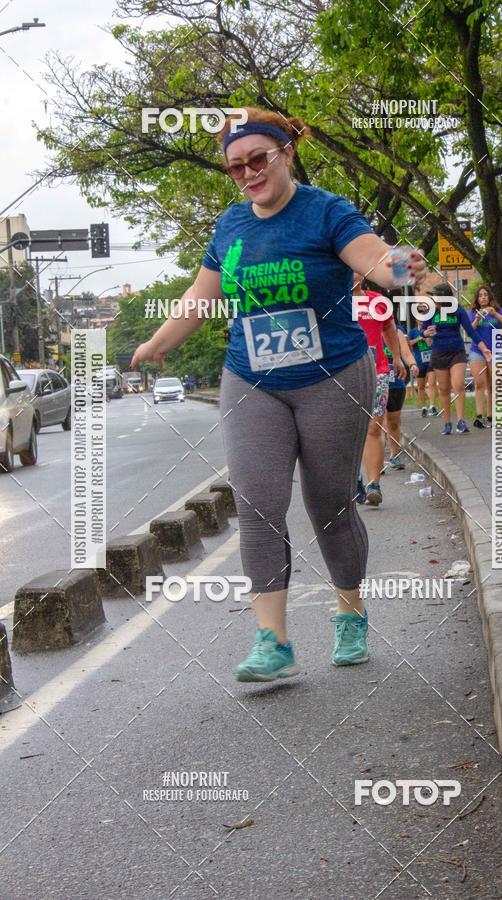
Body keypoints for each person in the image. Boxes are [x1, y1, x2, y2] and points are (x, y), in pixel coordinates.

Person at [131, 107, 428, 681]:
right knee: (257, 506)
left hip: (333, 375)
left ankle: (350, 612)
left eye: (257, 159)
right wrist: (156, 341)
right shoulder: (230, 226)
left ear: (285, 153)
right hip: (251, 379)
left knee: (329, 506)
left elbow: (372, 257)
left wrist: (398, 267)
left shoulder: (326, 210)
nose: (247, 173)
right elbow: (202, 295)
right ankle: (274, 640)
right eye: (235, 166)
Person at [354, 275, 405, 506]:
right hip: (342, 373)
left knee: (374, 425)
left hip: (378, 370)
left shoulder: (378, 301)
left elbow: (389, 329)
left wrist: (397, 357)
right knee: (347, 429)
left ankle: (373, 484)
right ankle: (353, 478)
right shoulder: (333, 300)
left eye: (356, 269)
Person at [421, 282, 492, 435]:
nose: (433, 299)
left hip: (457, 352)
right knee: (444, 389)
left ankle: (460, 421)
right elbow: (422, 330)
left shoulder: (458, 310)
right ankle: (447, 423)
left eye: (436, 296)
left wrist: (483, 347)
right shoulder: (431, 311)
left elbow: (471, 332)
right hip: (439, 352)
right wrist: (426, 333)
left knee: (459, 384)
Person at [468, 284, 502, 428]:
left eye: (485, 295)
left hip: (496, 350)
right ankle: (480, 416)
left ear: (489, 297)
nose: (483, 297)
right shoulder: (472, 312)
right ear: (477, 299)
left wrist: (496, 314)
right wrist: (477, 318)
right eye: (480, 295)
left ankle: (492, 416)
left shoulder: (497, 310)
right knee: (479, 383)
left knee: (495, 384)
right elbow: (470, 330)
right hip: (478, 351)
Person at [383, 324, 418, 470]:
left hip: (397, 381)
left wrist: (412, 364)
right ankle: (377, 459)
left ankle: (394, 454)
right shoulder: (366, 328)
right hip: (377, 380)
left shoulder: (397, 332)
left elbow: (406, 352)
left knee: (394, 421)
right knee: (378, 422)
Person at [407, 305, 438, 417]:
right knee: (420, 386)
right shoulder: (413, 332)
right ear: (416, 318)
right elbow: (408, 344)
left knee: (433, 383)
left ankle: (432, 406)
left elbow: (434, 342)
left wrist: (428, 338)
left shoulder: (430, 329)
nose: (421, 317)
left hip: (431, 359)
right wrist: (419, 338)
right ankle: (423, 407)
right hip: (419, 361)